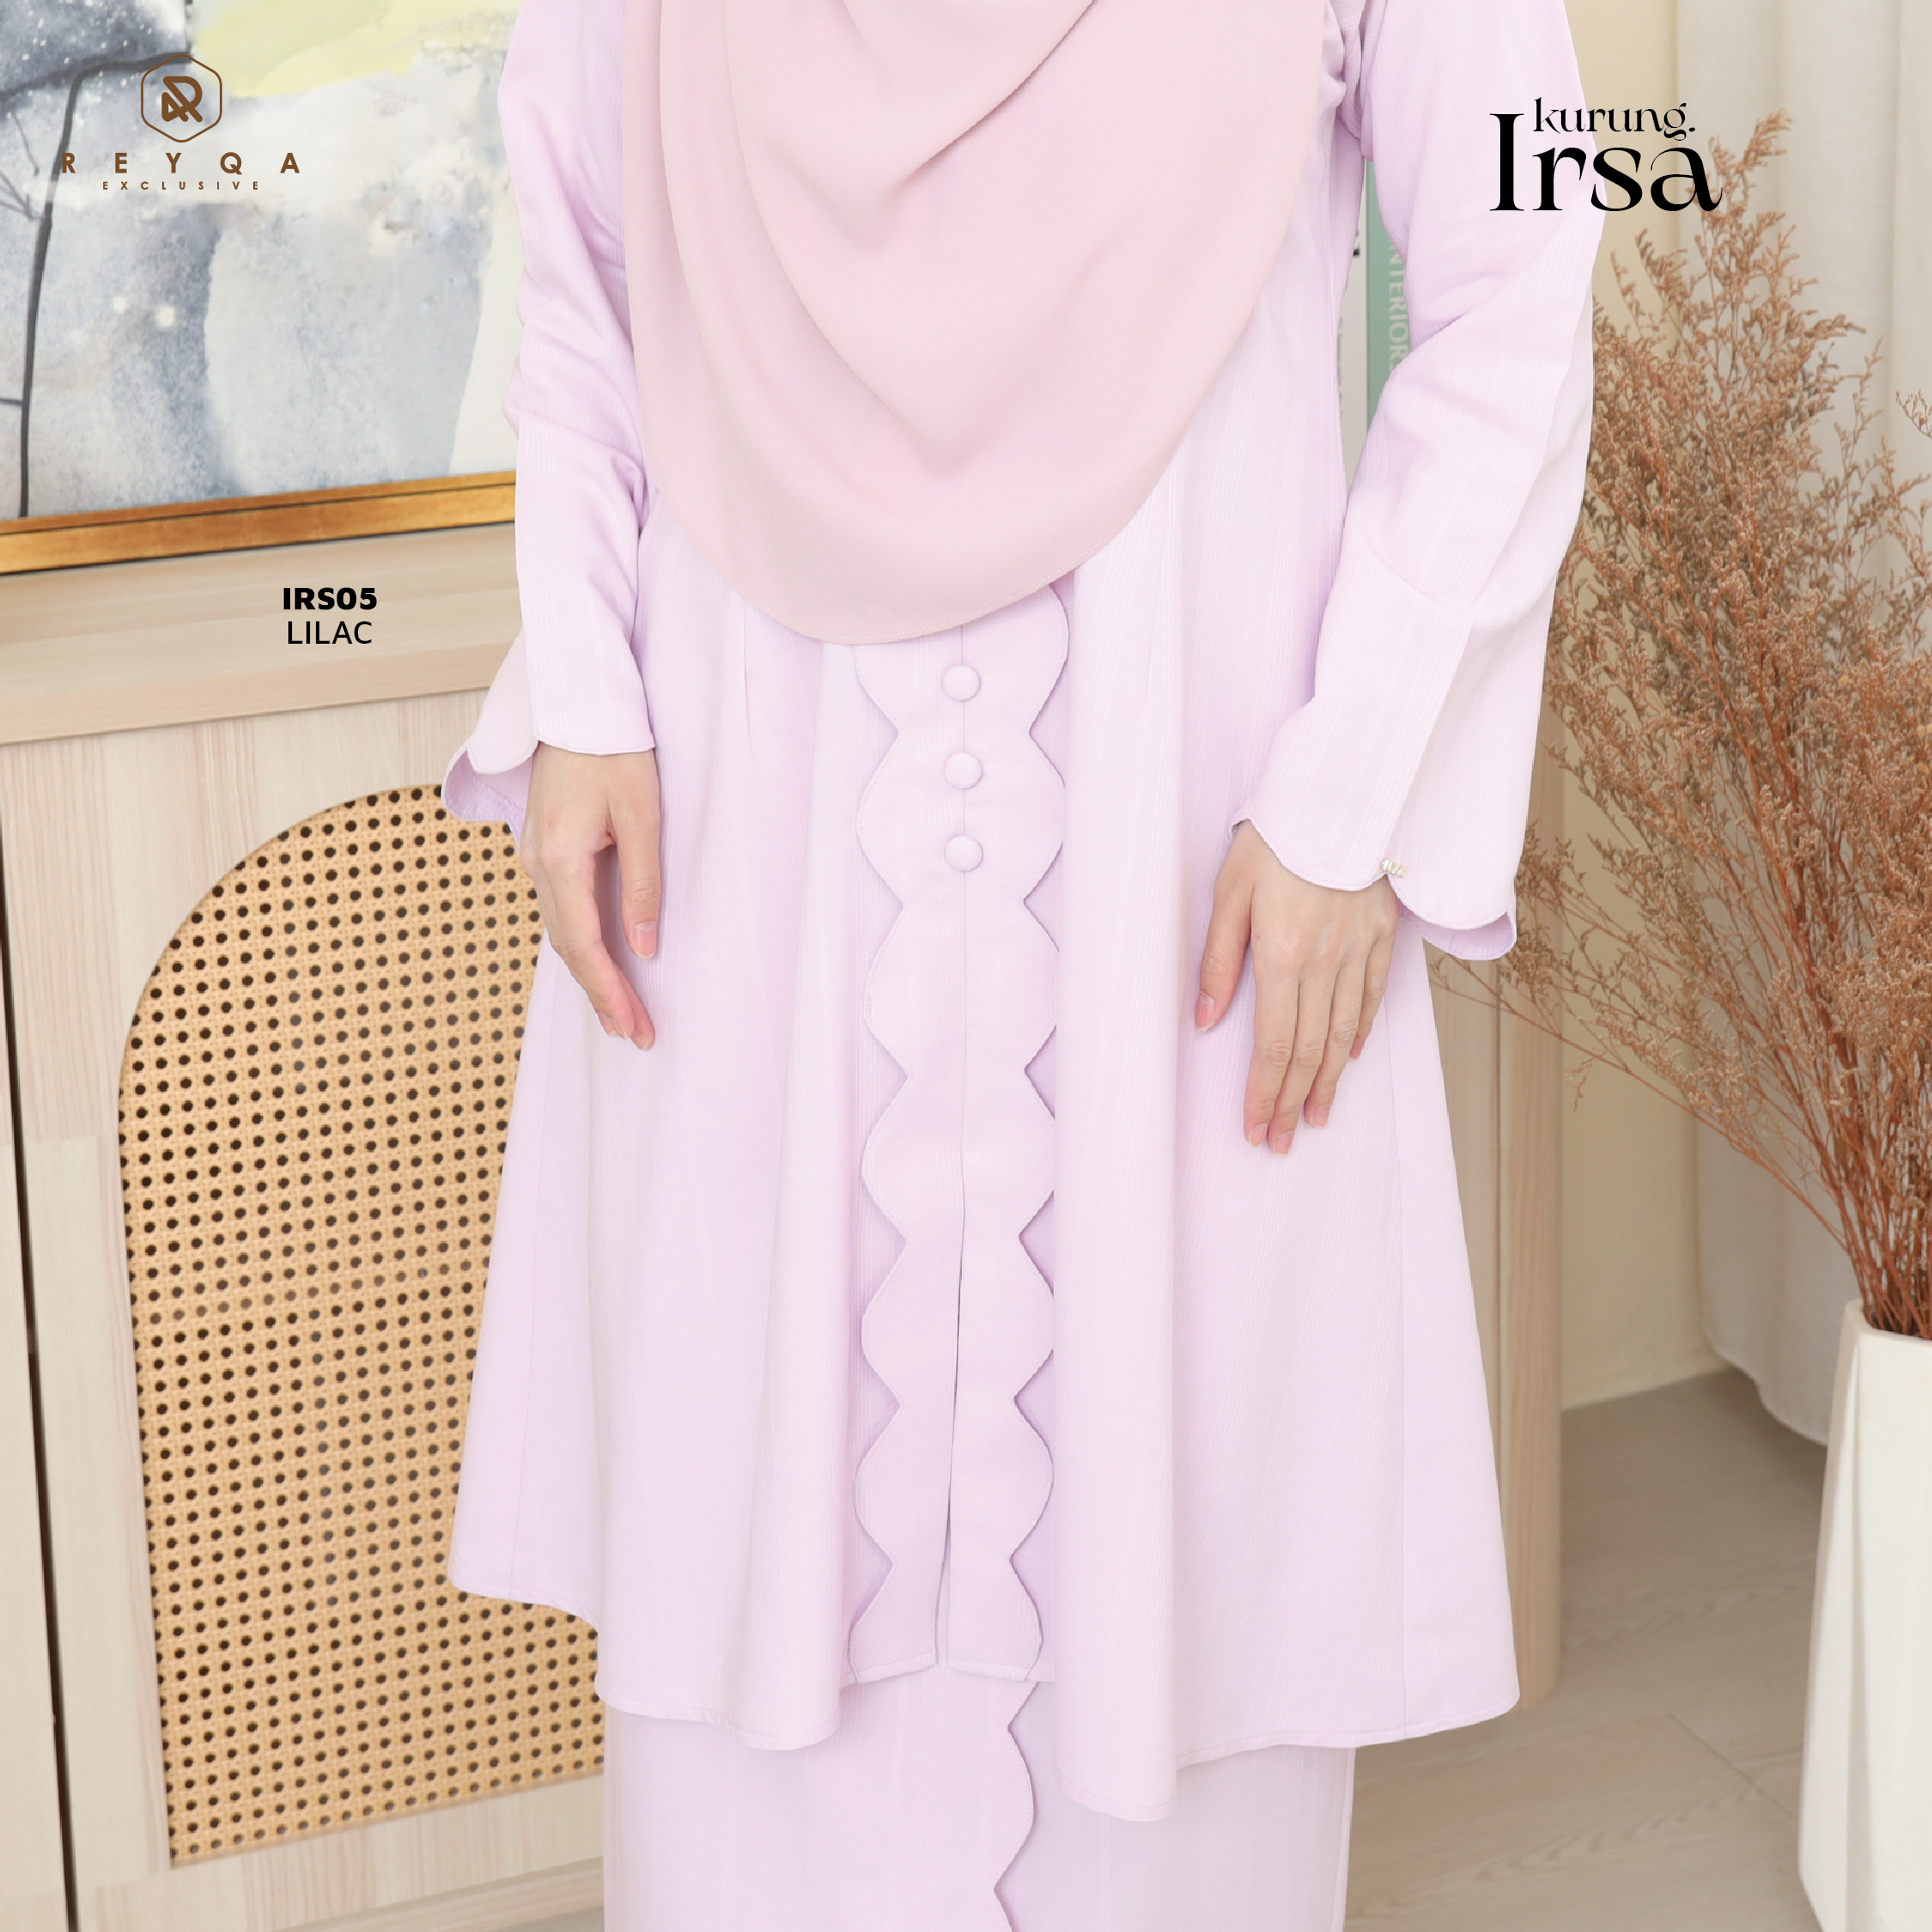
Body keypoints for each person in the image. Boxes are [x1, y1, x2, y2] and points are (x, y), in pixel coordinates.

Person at [441, 0, 1604, 1923]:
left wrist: (1354, 789)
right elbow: (577, 257)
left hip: (1199, 828)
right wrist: (580, 678)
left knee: (1171, 1573)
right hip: (758, 832)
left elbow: (1526, 258)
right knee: (761, 1545)